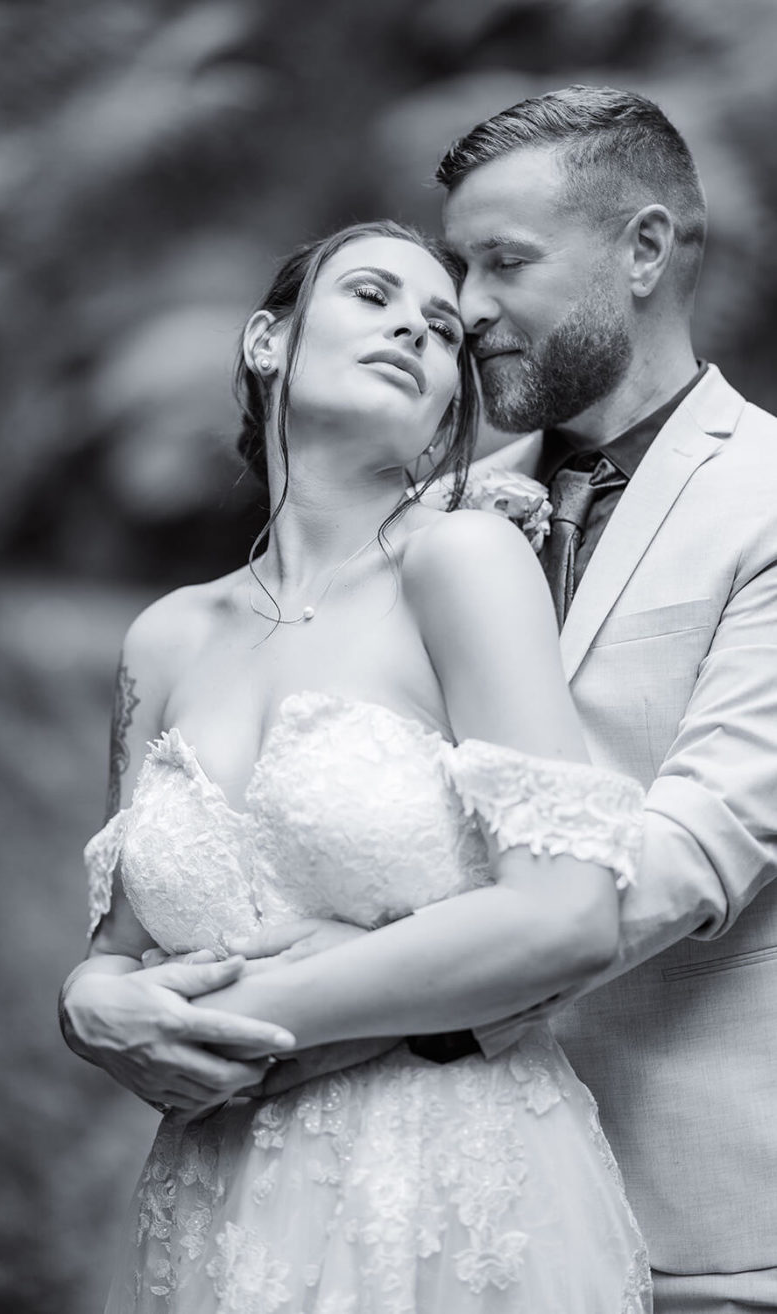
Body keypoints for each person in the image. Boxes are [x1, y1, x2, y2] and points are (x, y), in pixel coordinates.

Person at [61, 218, 652, 1312]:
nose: (413, 330)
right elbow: (120, 950)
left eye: (440, 331)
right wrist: (86, 1008)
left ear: (445, 411)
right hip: (218, 1207)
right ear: (265, 342)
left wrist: (270, 1012)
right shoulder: (165, 639)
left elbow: (569, 914)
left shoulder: (462, 562)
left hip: (441, 1185)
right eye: (373, 296)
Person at [435, 86, 777, 1314]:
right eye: (456, 266)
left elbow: (697, 849)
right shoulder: (428, 518)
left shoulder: (772, 498)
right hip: (434, 1203)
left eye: (504, 262)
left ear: (642, 249)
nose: (465, 309)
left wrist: (373, 1007)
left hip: (698, 1223)